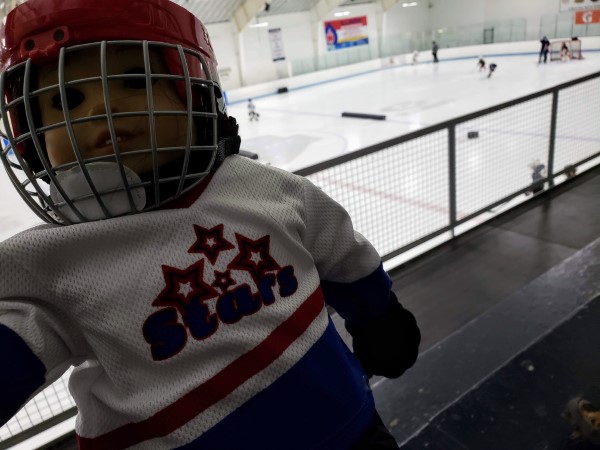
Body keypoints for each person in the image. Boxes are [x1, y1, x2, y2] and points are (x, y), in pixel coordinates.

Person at [0, 0, 421, 449]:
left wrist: (379, 318)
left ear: (194, 96)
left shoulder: (260, 189)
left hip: (350, 431)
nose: (102, 109)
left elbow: (340, 251)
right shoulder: (48, 262)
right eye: (67, 99)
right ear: (30, 136)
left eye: (135, 81)